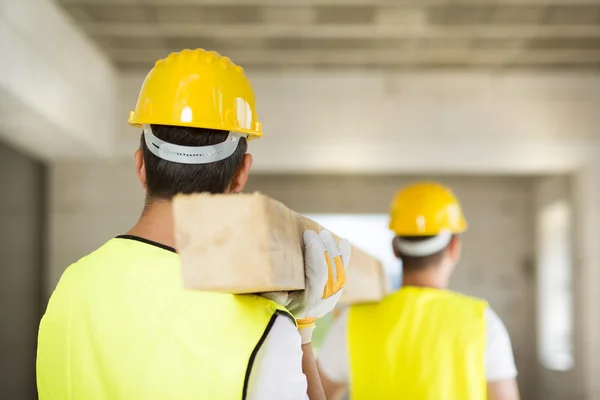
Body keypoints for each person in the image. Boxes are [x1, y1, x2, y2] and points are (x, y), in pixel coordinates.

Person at [36, 49, 350, 400]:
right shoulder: (263, 327)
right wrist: (302, 331)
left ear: (141, 165)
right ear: (241, 173)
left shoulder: (71, 288)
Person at [317, 181, 520, 400]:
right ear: (454, 247)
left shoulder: (353, 322)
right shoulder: (484, 324)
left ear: (395, 249)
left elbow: (316, 394)